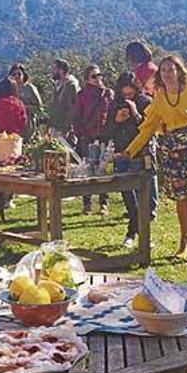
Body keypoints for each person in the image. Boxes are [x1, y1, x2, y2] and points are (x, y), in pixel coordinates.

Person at [125, 55, 187, 256]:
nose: (168, 74)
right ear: (159, 74)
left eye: (171, 69)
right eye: (164, 70)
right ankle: (185, 242)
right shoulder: (159, 98)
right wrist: (128, 152)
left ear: (179, 71)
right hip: (174, 153)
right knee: (182, 200)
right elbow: (147, 129)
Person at [100, 72, 158, 247]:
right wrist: (117, 121)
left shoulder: (146, 102)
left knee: (144, 198)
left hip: (142, 154)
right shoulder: (114, 105)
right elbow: (106, 133)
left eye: (130, 94)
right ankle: (138, 233)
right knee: (128, 197)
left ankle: (133, 234)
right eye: (124, 95)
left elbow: (150, 130)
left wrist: (135, 113)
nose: (127, 97)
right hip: (121, 154)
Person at [73, 65, 114, 215]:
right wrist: (80, 134)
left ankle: (103, 203)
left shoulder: (108, 94)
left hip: (104, 136)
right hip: (87, 136)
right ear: (86, 79)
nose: (98, 79)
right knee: (88, 170)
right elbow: (76, 117)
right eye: (94, 76)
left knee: (103, 170)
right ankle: (87, 204)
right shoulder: (82, 95)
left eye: (99, 75)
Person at [8, 63, 44, 142]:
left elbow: (39, 108)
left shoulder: (30, 88)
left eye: (19, 74)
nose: (17, 76)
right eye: (14, 74)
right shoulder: (9, 89)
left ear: (24, 75)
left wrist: (23, 107)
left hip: (28, 125)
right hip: (13, 125)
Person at [48, 59, 80, 138]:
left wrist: (66, 128)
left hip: (65, 130)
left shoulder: (71, 86)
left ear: (62, 70)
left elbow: (73, 108)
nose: (52, 70)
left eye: (55, 68)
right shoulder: (57, 85)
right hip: (55, 127)